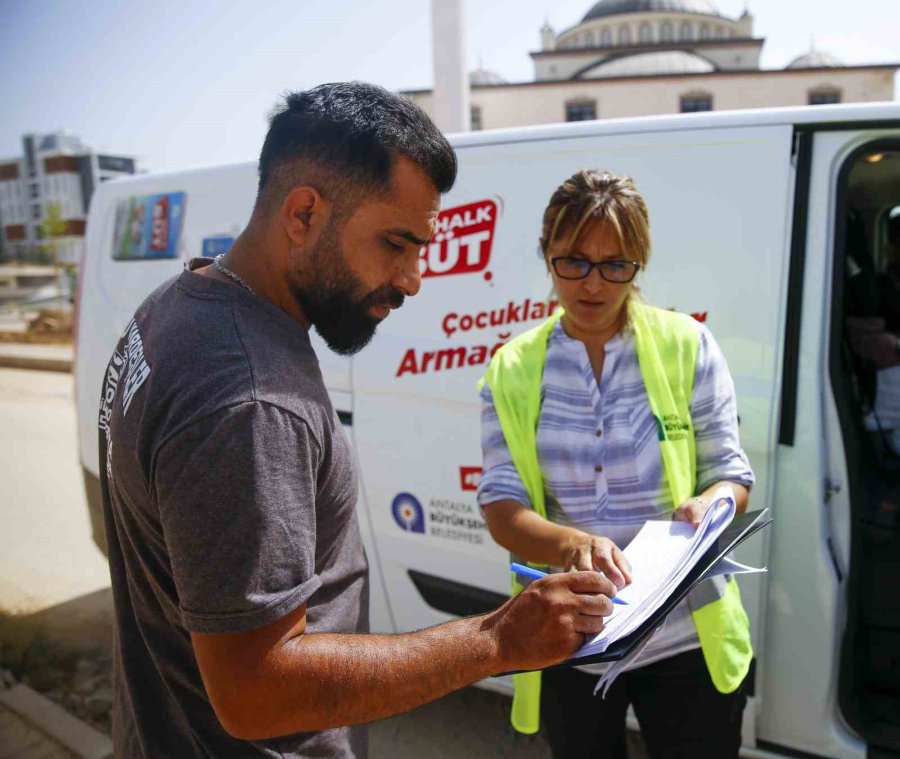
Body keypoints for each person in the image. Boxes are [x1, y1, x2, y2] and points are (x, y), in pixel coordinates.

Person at [97, 83, 619, 758]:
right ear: (305, 212)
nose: (412, 278)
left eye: (422, 248)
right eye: (397, 243)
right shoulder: (252, 398)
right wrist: (497, 640)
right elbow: (257, 690)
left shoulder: (178, 305)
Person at [477, 169, 756, 759]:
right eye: (573, 261)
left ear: (639, 263)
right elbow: (502, 509)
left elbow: (732, 472)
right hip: (571, 640)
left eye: (616, 264)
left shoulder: (688, 345)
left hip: (685, 640)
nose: (593, 283)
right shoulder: (512, 367)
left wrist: (714, 502)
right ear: (547, 255)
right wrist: (571, 544)